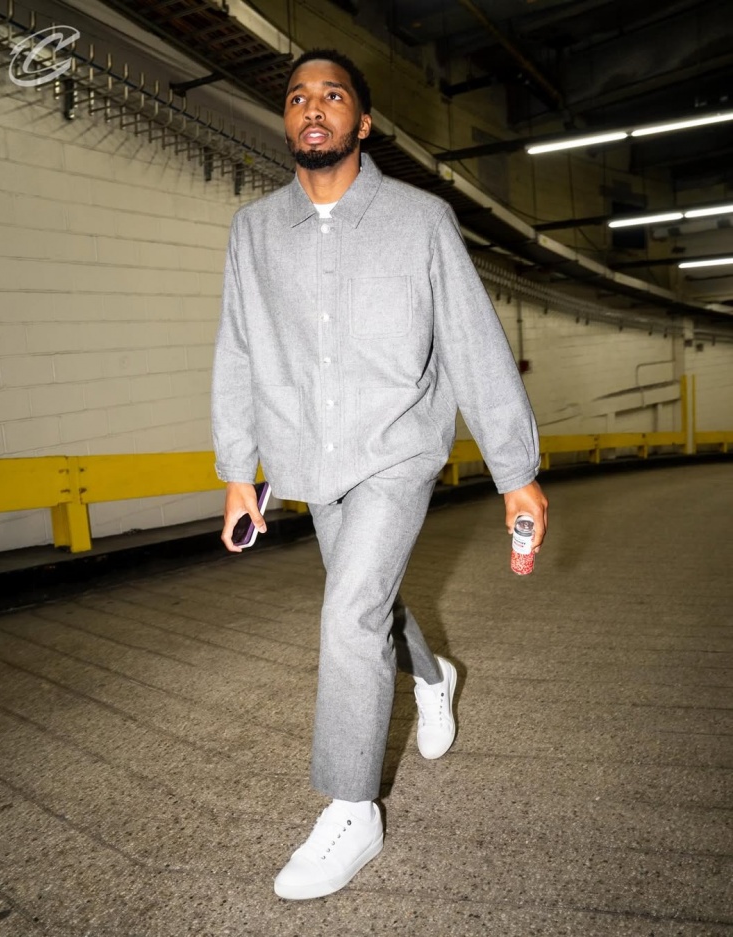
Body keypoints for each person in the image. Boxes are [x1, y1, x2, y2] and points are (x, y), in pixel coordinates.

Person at [211, 48, 548, 901]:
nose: (312, 107)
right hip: (312, 458)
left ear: (361, 122)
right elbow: (238, 350)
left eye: (332, 95)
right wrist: (237, 469)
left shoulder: (421, 220)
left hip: (398, 450)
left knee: (349, 610)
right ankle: (434, 676)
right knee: (370, 604)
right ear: (287, 120)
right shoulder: (254, 230)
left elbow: (471, 341)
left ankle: (352, 807)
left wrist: (516, 470)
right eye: (298, 96)